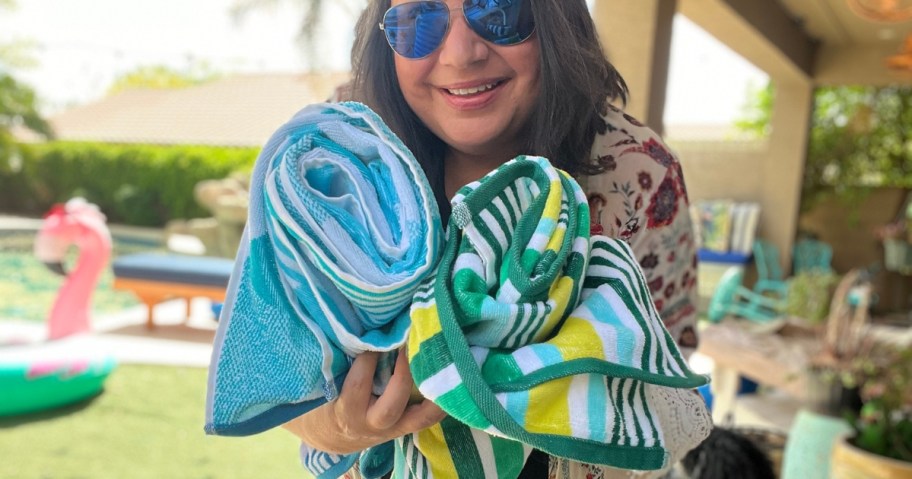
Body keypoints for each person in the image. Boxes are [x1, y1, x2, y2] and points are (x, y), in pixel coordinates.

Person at [282, 1, 701, 477]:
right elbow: (272, 351)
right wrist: (334, 428)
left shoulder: (637, 173)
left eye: (497, 10)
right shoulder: (333, 151)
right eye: (420, 22)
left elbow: (668, 370)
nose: (460, 54)